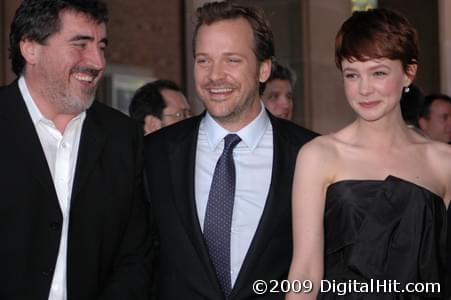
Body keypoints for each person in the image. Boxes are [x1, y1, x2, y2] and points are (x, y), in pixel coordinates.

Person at [143, 2, 317, 299]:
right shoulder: (155, 153)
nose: (214, 76)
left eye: (232, 60)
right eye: (203, 61)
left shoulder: (309, 154)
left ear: (263, 69)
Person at [287, 8, 450, 299]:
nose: (364, 89)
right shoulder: (319, 155)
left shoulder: (442, 161)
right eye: (352, 75)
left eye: (378, 73)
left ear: (408, 73)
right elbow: (305, 273)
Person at [0, 0, 150, 299]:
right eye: (80, 44)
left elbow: (135, 256)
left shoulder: (123, 137)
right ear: (30, 48)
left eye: (101, 46)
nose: (97, 61)